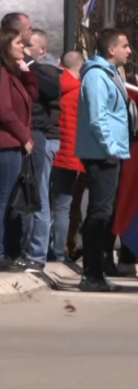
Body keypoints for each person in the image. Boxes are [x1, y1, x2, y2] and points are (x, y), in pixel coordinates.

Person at [75, 28, 134, 292]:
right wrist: (110, 148)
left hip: (112, 152)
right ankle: (91, 274)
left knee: (103, 213)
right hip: (102, 155)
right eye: (125, 45)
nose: (129, 50)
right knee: (99, 214)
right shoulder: (97, 76)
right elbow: (98, 117)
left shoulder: (109, 74)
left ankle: (96, 272)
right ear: (112, 49)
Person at [17, 29, 61, 271]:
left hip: (41, 138)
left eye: (28, 44)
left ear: (41, 50)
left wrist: (27, 69)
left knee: (39, 196)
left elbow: (52, 91)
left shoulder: (44, 71)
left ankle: (36, 254)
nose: (22, 47)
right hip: (26, 137)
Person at [0, 28, 37, 272]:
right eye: (17, 43)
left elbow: (31, 95)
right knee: (3, 202)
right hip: (7, 145)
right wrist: (24, 137)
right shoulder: (2, 73)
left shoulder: (12, 73)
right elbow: (4, 110)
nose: (22, 48)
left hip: (15, 146)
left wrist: (27, 73)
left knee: (8, 204)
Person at [51, 51, 86, 264]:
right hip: (73, 156)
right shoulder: (81, 92)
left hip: (53, 151)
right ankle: (59, 252)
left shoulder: (54, 86)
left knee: (49, 205)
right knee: (65, 206)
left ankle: (50, 248)